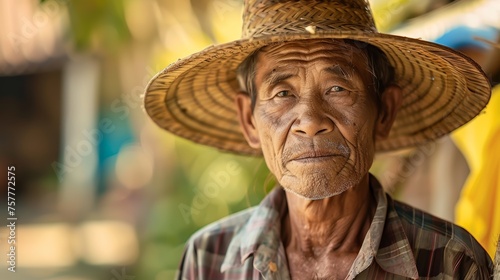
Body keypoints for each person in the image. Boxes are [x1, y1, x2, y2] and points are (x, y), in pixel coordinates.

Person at [143, 0, 494, 279]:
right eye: (281, 93)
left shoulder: (450, 261)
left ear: (384, 111)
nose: (309, 122)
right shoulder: (208, 258)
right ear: (248, 120)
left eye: (338, 88)